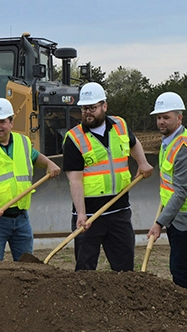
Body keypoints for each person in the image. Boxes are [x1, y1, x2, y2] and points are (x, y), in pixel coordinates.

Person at [64, 82, 153, 271]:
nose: (88, 112)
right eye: (84, 108)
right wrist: (81, 213)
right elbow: (75, 180)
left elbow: (134, 143)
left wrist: (142, 162)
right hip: (89, 214)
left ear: (104, 106)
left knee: (124, 268)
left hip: (119, 209)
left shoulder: (120, 125)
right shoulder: (74, 138)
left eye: (92, 108)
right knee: (86, 269)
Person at [0, 98, 62, 261]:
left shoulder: (23, 142)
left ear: (11, 123)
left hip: (21, 218)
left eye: (2, 122)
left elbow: (35, 157)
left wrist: (48, 163)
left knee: (27, 263)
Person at [146, 92, 187, 289]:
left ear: (179, 118)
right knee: (186, 262)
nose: (161, 122)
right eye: (159, 117)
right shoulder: (169, 142)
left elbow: (182, 191)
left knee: (179, 267)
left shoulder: (184, 147)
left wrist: (159, 223)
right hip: (177, 214)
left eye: (166, 117)